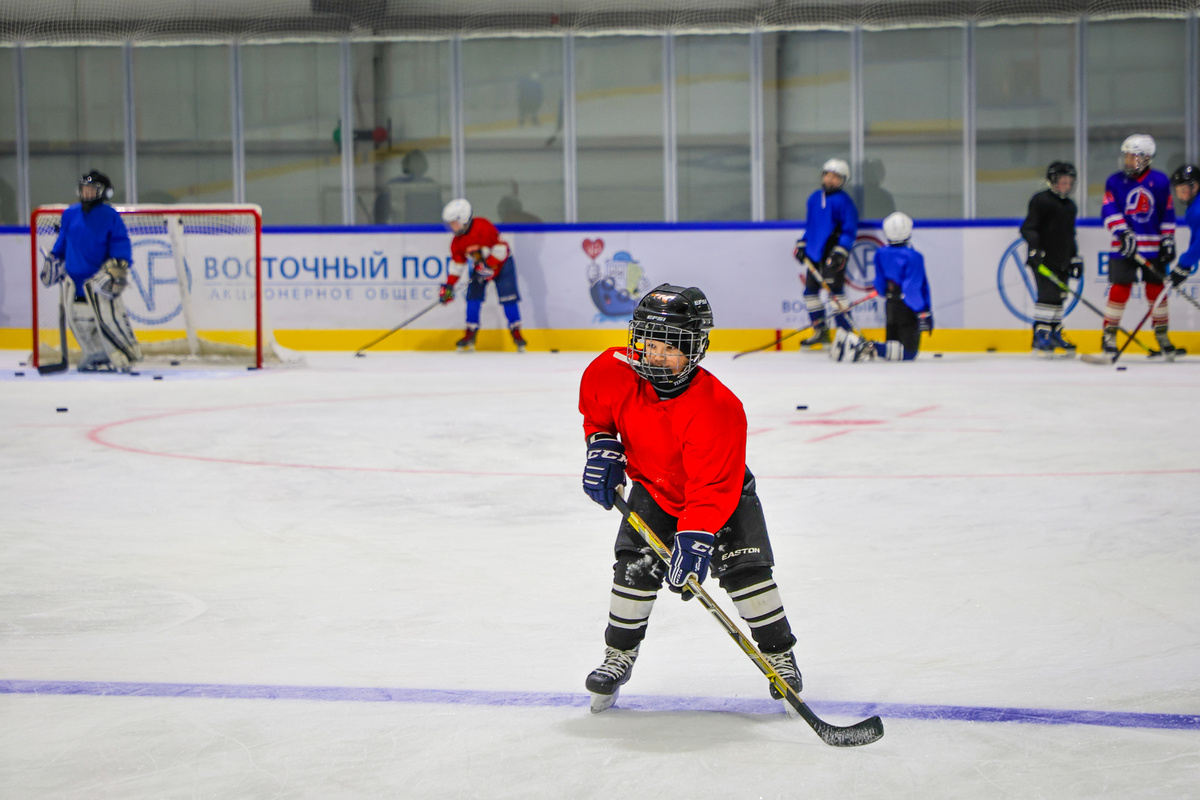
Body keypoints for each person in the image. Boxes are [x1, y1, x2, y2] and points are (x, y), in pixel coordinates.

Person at [577, 284, 802, 714]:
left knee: (747, 573)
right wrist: (601, 446)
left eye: (671, 347)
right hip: (655, 488)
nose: (657, 357)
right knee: (633, 568)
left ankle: (780, 656)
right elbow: (598, 416)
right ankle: (618, 655)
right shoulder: (611, 371)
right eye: (650, 344)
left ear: (695, 349)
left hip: (721, 495)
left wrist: (697, 535)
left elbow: (712, 487)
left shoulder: (718, 407)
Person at [39, 170, 139, 372]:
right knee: (79, 321)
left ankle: (125, 354)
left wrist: (117, 267)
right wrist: (54, 258)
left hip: (99, 282)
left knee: (109, 320)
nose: (87, 193)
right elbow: (63, 240)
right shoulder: (70, 214)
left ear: (104, 193)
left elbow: (120, 242)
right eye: (85, 189)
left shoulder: (110, 216)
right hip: (74, 282)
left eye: (92, 190)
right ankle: (94, 353)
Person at [1100, 134, 1178, 358]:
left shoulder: (1160, 181)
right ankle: (1109, 335)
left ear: (1146, 158)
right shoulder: (1115, 181)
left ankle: (1162, 335)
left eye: (1133, 156)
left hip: (1153, 247)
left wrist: (1168, 239)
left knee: (1157, 291)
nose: (1128, 161)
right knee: (1119, 289)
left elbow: (1167, 212)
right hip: (1123, 248)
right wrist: (1122, 232)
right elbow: (1108, 209)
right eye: (1127, 156)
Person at [839, 211, 931, 362]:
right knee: (908, 353)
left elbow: (880, 284)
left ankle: (867, 346)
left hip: (890, 305)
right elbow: (911, 288)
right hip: (907, 308)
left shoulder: (881, 253)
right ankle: (866, 346)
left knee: (893, 345)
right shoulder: (914, 256)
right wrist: (922, 311)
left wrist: (887, 292)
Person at [438, 198, 526, 352]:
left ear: (463, 219)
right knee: (473, 298)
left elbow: (501, 250)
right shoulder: (457, 242)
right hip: (480, 267)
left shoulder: (483, 226)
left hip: (503, 265)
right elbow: (457, 265)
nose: (451, 227)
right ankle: (470, 332)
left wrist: (488, 266)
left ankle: (516, 331)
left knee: (508, 299)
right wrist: (449, 286)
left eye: (453, 223)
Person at [793, 158, 859, 349]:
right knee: (810, 293)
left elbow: (849, 230)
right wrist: (803, 244)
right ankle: (820, 331)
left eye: (835, 177)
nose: (830, 179)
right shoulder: (814, 198)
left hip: (832, 253)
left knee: (835, 294)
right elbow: (811, 226)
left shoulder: (844, 202)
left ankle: (846, 335)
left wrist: (841, 251)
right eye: (827, 175)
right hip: (814, 253)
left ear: (843, 180)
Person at [1020, 161, 1083, 358]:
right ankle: (1041, 333)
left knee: (1059, 297)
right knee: (1047, 295)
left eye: (1069, 182)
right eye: (1062, 182)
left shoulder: (1070, 206)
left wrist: (1074, 257)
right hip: (1043, 261)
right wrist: (1035, 249)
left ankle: (1055, 331)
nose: (1066, 186)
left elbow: (1070, 235)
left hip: (1062, 260)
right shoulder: (1041, 200)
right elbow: (1028, 228)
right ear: (1052, 181)